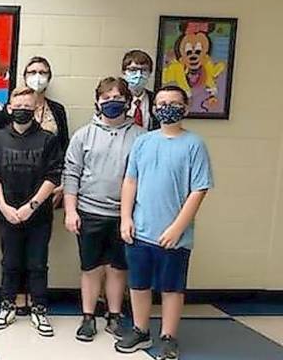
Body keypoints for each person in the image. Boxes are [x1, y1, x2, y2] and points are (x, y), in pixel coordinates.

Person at [114, 86, 213, 360]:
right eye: (161, 103)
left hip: (175, 236)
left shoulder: (194, 144)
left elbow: (199, 190)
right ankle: (140, 329)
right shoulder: (143, 142)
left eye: (173, 102)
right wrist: (125, 218)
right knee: (138, 284)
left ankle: (169, 336)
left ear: (185, 107)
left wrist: (178, 228)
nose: (167, 107)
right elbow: (130, 181)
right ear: (154, 109)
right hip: (139, 230)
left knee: (171, 287)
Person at [63, 77, 145, 341]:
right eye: (107, 98)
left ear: (128, 102)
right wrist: (71, 210)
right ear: (97, 102)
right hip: (88, 211)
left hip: (125, 215)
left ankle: (114, 315)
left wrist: (131, 215)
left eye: (118, 98)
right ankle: (88, 317)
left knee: (118, 268)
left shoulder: (141, 138)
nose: (112, 103)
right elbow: (71, 174)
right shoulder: (83, 135)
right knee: (90, 267)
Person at [0, 87, 62, 335]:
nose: (22, 111)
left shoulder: (48, 139)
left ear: (35, 109)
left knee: (37, 263)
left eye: (28, 107)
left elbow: (53, 177)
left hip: (38, 215)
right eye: (18, 107)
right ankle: (7, 306)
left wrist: (31, 207)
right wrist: (4, 206)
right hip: (7, 212)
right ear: (9, 108)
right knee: (9, 262)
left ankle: (39, 310)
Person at [16, 56, 69, 315]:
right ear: (24, 75)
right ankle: (18, 295)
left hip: (48, 189)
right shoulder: (13, 106)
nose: (38, 76)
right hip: (15, 189)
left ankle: (37, 299)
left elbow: (65, 148)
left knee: (38, 248)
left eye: (43, 72)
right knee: (14, 248)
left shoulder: (57, 110)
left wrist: (62, 185)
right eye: (33, 71)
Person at [121, 49, 159, 131]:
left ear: (150, 73)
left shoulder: (155, 99)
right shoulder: (117, 98)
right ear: (124, 73)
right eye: (133, 70)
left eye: (144, 70)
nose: (139, 75)